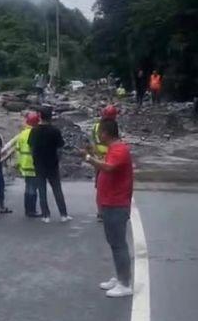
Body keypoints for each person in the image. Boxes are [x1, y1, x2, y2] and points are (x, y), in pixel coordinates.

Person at [83, 119, 134, 297]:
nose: (97, 135)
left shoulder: (119, 149)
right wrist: (92, 155)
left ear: (105, 133)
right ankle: (120, 276)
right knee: (114, 243)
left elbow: (109, 167)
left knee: (119, 244)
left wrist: (89, 159)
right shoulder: (114, 149)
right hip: (110, 203)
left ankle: (125, 283)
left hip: (116, 203)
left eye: (99, 132)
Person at [28, 106, 71, 223]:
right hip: (52, 164)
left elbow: (31, 147)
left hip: (39, 164)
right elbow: (60, 147)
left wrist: (35, 158)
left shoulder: (34, 130)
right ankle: (63, 214)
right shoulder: (55, 131)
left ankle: (46, 215)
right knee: (57, 189)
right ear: (51, 117)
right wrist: (58, 159)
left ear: (40, 116)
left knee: (42, 190)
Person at [91, 105, 118, 220]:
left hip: (102, 159)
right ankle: (104, 211)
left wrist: (96, 155)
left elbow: (93, 143)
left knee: (100, 186)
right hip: (108, 158)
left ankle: (101, 212)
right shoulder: (111, 127)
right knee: (107, 185)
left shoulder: (96, 126)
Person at [14, 111, 41, 217]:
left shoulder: (22, 134)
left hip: (24, 165)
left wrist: (18, 163)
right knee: (33, 188)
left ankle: (27, 209)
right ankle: (32, 211)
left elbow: (17, 149)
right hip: (34, 165)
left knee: (28, 187)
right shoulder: (37, 134)